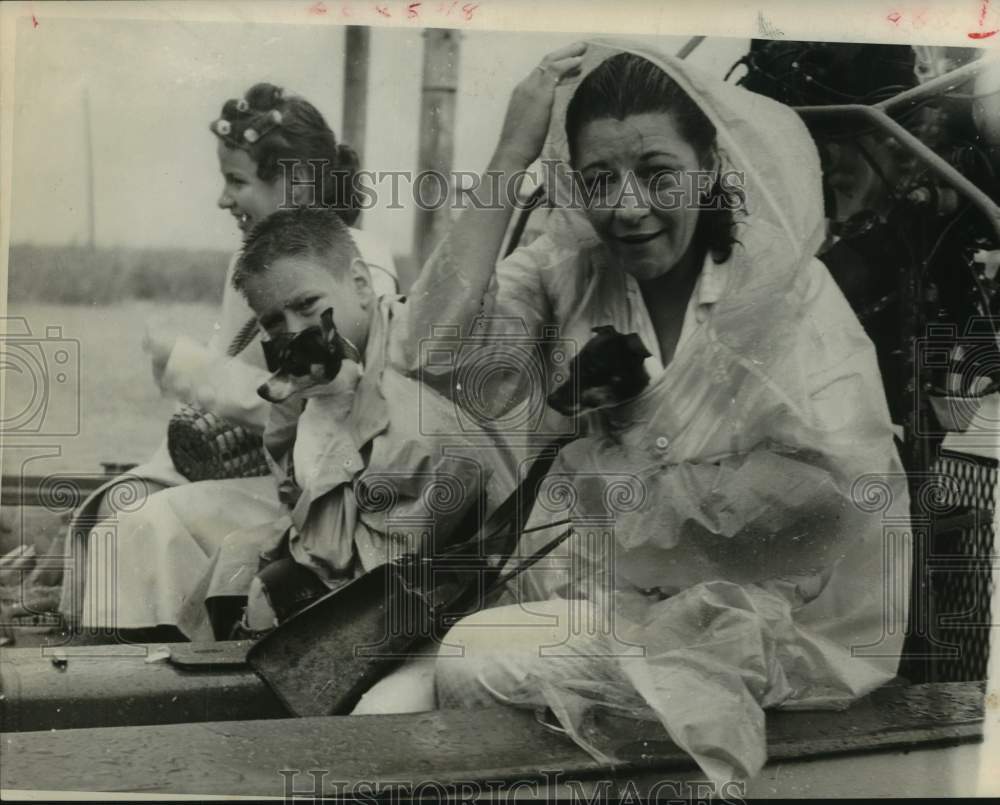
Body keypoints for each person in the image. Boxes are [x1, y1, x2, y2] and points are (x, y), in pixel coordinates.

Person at [380, 39, 913, 783]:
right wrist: (509, 155)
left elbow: (834, 499)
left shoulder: (784, 290)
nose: (628, 208)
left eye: (658, 173)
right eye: (600, 179)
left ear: (710, 166)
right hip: (604, 601)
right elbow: (430, 347)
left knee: (473, 660)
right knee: (382, 707)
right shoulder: (569, 271)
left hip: (762, 622)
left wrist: (633, 498)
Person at [58, 83, 398, 641]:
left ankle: (148, 666)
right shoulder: (255, 266)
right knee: (122, 508)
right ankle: (136, 658)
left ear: (297, 181)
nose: (223, 200)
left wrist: (189, 369)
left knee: (144, 524)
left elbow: (335, 408)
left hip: (336, 501)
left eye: (237, 181)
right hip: (277, 480)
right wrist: (152, 471)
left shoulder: (356, 263)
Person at [175, 207, 519, 655]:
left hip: (454, 586)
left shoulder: (419, 351)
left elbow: (387, 542)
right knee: (235, 560)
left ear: (360, 283)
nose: (294, 331)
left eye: (307, 305)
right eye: (274, 322)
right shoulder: (303, 386)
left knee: (269, 592)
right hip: (364, 559)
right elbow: (297, 495)